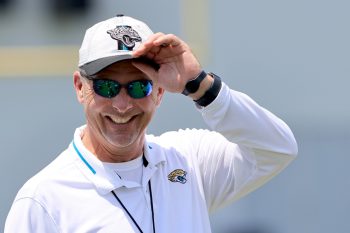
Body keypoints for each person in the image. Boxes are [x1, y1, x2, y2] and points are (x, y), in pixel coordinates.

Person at [5, 15, 298, 233]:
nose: (121, 105)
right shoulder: (43, 199)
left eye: (138, 88)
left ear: (159, 92)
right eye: (106, 87)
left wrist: (200, 86)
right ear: (79, 88)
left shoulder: (187, 160)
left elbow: (277, 148)